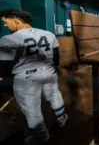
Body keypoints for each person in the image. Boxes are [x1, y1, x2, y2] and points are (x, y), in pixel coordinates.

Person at [0, 9, 67, 145]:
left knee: (32, 109)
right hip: (49, 72)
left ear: (15, 20)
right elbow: (56, 58)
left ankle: (41, 136)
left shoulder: (8, 39)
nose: (5, 25)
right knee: (54, 95)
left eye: (6, 22)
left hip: (27, 78)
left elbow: (4, 68)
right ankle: (62, 119)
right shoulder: (48, 34)